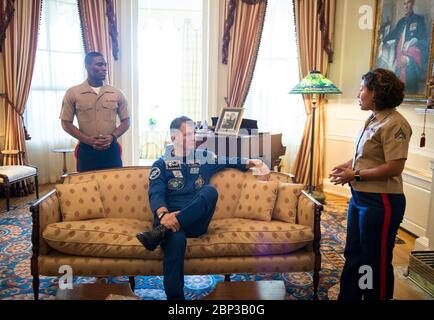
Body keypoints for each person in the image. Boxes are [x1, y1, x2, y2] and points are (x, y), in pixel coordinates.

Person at [136, 116, 270, 300]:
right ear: (174, 137)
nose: (193, 138)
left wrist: (255, 161)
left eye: (194, 134)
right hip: (169, 221)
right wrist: (164, 216)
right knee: (176, 240)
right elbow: (156, 193)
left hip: (195, 222)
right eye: (188, 134)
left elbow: (229, 160)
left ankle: (163, 230)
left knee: (209, 191)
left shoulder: (204, 158)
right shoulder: (160, 164)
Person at [329, 69, 412, 300]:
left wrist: (353, 175)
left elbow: (394, 167)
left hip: (381, 202)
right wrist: (348, 167)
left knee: (374, 259)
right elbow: (367, 158)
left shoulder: (396, 124)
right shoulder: (374, 118)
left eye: (362, 88)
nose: (359, 93)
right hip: (360, 198)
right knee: (354, 253)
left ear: (375, 93)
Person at [60, 52, 131, 172]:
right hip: (86, 151)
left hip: (111, 151)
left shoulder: (117, 93)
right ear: (87, 66)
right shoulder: (73, 93)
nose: (104, 68)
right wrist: (87, 140)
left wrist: (113, 137)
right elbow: (65, 123)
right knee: (88, 187)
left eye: (105, 65)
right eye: (99, 65)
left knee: (114, 185)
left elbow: (126, 121)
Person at [382, 0, 428, 94]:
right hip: (398, 65)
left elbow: (425, 42)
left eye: (408, 3)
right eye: (404, 3)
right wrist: (382, 41)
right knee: (396, 92)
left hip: (410, 66)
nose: (406, 6)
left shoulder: (419, 20)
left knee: (410, 92)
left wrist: (408, 57)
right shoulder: (401, 22)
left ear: (413, 3)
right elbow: (392, 35)